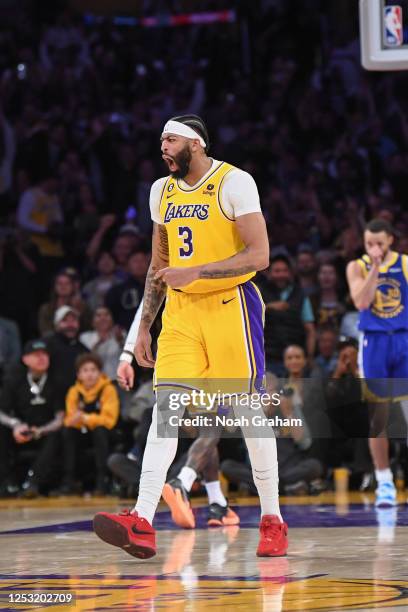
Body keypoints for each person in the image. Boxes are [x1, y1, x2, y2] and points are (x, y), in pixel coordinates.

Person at [93, 114, 288, 559]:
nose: (162, 145)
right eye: (160, 138)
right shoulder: (160, 191)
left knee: (247, 412)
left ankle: (272, 518)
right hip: (180, 311)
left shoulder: (234, 182)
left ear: (195, 144)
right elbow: (158, 263)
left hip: (230, 304)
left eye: (170, 138)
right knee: (167, 410)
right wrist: (143, 325)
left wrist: (198, 271)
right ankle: (141, 520)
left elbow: (260, 256)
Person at [346, 218, 408, 507]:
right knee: (379, 417)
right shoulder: (357, 266)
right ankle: (384, 482)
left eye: (380, 243)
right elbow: (361, 301)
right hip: (374, 342)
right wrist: (375, 267)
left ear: (391, 240)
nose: (375, 248)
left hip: (404, 339)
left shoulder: (406, 265)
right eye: (370, 243)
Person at [0, 339, 64, 497]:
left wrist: (41, 431)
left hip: (46, 431)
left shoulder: (57, 381)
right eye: (36, 355)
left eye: (44, 354)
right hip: (21, 430)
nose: (42, 358)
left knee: (59, 434)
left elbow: (60, 418)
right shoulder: (14, 381)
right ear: (25, 359)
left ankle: (33, 482)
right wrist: (16, 425)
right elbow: (1, 412)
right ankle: (8, 482)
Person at [59, 353, 119, 494]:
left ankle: (102, 479)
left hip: (105, 433)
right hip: (84, 433)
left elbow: (109, 420)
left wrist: (85, 418)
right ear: (79, 374)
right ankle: (69, 479)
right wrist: (77, 420)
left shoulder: (107, 389)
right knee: (67, 432)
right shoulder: (74, 391)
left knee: (99, 430)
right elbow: (69, 419)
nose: (90, 374)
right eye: (85, 370)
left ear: (99, 372)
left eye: (93, 370)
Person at [258, 254, 316, 375]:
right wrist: (268, 307)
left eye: (284, 271)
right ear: (268, 273)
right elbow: (249, 319)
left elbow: (310, 330)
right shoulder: (259, 293)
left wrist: (310, 356)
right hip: (268, 358)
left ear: (290, 273)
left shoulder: (300, 294)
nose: (281, 275)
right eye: (277, 271)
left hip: (295, 358)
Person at [46, 305, 89, 395]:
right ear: (56, 324)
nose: (70, 325)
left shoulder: (84, 350)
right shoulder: (46, 346)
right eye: (65, 321)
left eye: (73, 320)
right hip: (51, 399)